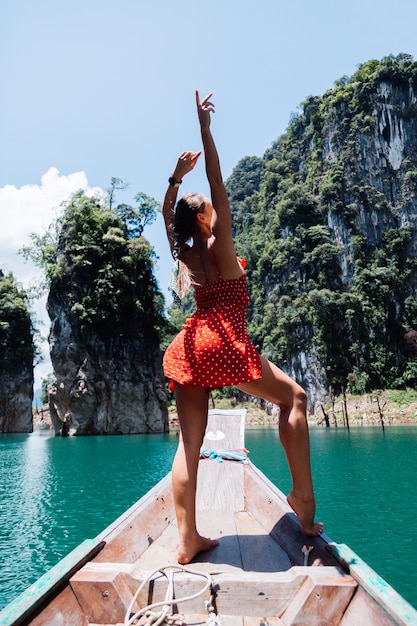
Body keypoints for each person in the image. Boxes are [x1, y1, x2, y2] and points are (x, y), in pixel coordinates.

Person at [162, 91, 323, 565]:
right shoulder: (221, 244)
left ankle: (187, 539)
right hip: (225, 342)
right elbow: (216, 176)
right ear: (205, 216)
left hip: (189, 344)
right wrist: (206, 130)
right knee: (293, 398)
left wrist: (174, 178)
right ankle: (303, 502)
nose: (215, 204)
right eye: (209, 205)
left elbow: (167, 215)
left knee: (189, 444)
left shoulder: (185, 252)